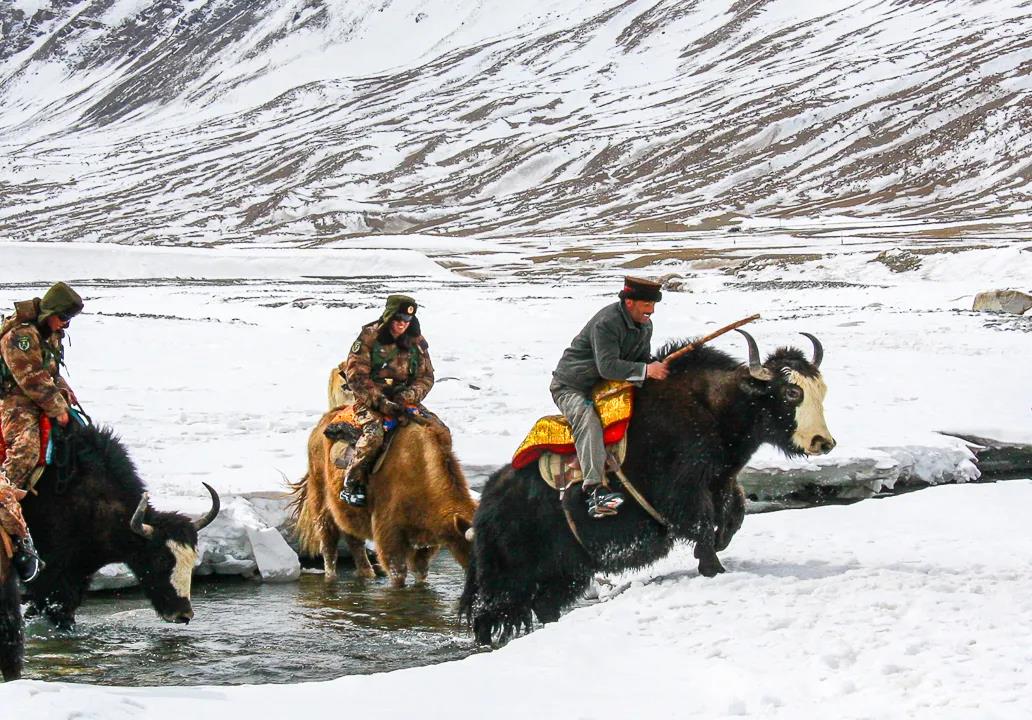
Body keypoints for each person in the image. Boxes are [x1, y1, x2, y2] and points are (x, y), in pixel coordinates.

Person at [550, 276, 669, 518]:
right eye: (647, 305)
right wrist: (646, 371)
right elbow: (607, 366)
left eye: (653, 305)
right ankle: (594, 490)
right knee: (587, 419)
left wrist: (655, 368)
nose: (652, 311)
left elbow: (640, 359)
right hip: (573, 387)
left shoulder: (645, 325)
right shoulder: (607, 323)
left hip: (606, 387)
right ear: (629, 302)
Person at [0, 281, 84, 580]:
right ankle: (6, 497)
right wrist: (57, 408)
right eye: (63, 317)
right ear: (51, 311)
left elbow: (50, 372)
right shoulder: (20, 336)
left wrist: (66, 394)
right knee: (26, 448)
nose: (65, 324)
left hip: (41, 397)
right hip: (15, 402)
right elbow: (30, 377)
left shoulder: (51, 333)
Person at [339, 295, 436, 507]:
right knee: (373, 436)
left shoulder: (417, 343)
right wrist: (381, 402)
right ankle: (352, 483)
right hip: (370, 401)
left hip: (404, 400)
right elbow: (356, 376)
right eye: (398, 318)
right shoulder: (369, 337)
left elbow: (426, 377)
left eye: (407, 320)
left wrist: (407, 397)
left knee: (438, 431)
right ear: (389, 316)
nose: (402, 324)